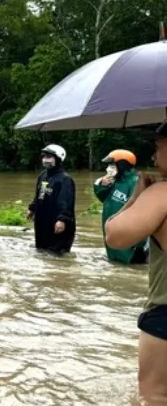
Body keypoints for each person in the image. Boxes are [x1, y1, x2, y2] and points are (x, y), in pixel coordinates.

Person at [105, 123, 167, 401]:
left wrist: (137, 198)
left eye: (158, 147)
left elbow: (115, 235)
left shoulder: (161, 194)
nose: (154, 158)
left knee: (156, 395)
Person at [94, 149, 148, 264]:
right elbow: (103, 198)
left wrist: (139, 244)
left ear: (122, 165)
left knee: (130, 265)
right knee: (114, 263)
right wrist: (102, 185)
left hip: (128, 237)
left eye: (112, 165)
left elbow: (140, 213)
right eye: (109, 165)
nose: (108, 169)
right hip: (111, 231)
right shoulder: (114, 181)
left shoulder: (135, 182)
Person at [26, 144, 76, 256]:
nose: (45, 160)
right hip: (42, 223)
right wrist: (32, 208)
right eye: (44, 157)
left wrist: (62, 220)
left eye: (49, 157)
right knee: (42, 253)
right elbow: (39, 195)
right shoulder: (42, 176)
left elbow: (67, 203)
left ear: (58, 159)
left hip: (58, 224)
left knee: (57, 257)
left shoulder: (65, 179)